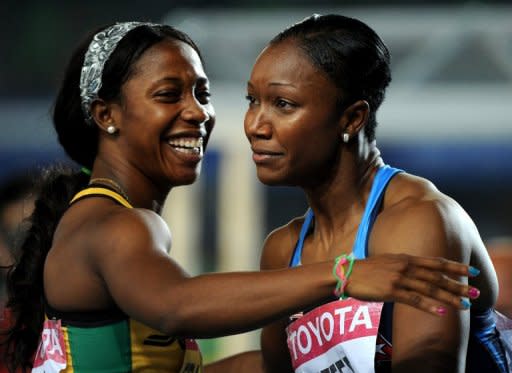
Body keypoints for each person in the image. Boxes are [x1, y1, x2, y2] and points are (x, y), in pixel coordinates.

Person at [3, 22, 478, 373]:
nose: (200, 112)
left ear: (352, 118)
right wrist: (345, 274)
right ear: (106, 114)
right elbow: (178, 304)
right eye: (169, 94)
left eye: (202, 92)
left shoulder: (419, 218)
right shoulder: (118, 223)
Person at [243, 14, 508, 373]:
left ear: (352, 119)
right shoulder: (281, 250)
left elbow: (430, 361)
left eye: (283, 104)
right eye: (252, 100)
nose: (255, 125)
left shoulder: (422, 221)